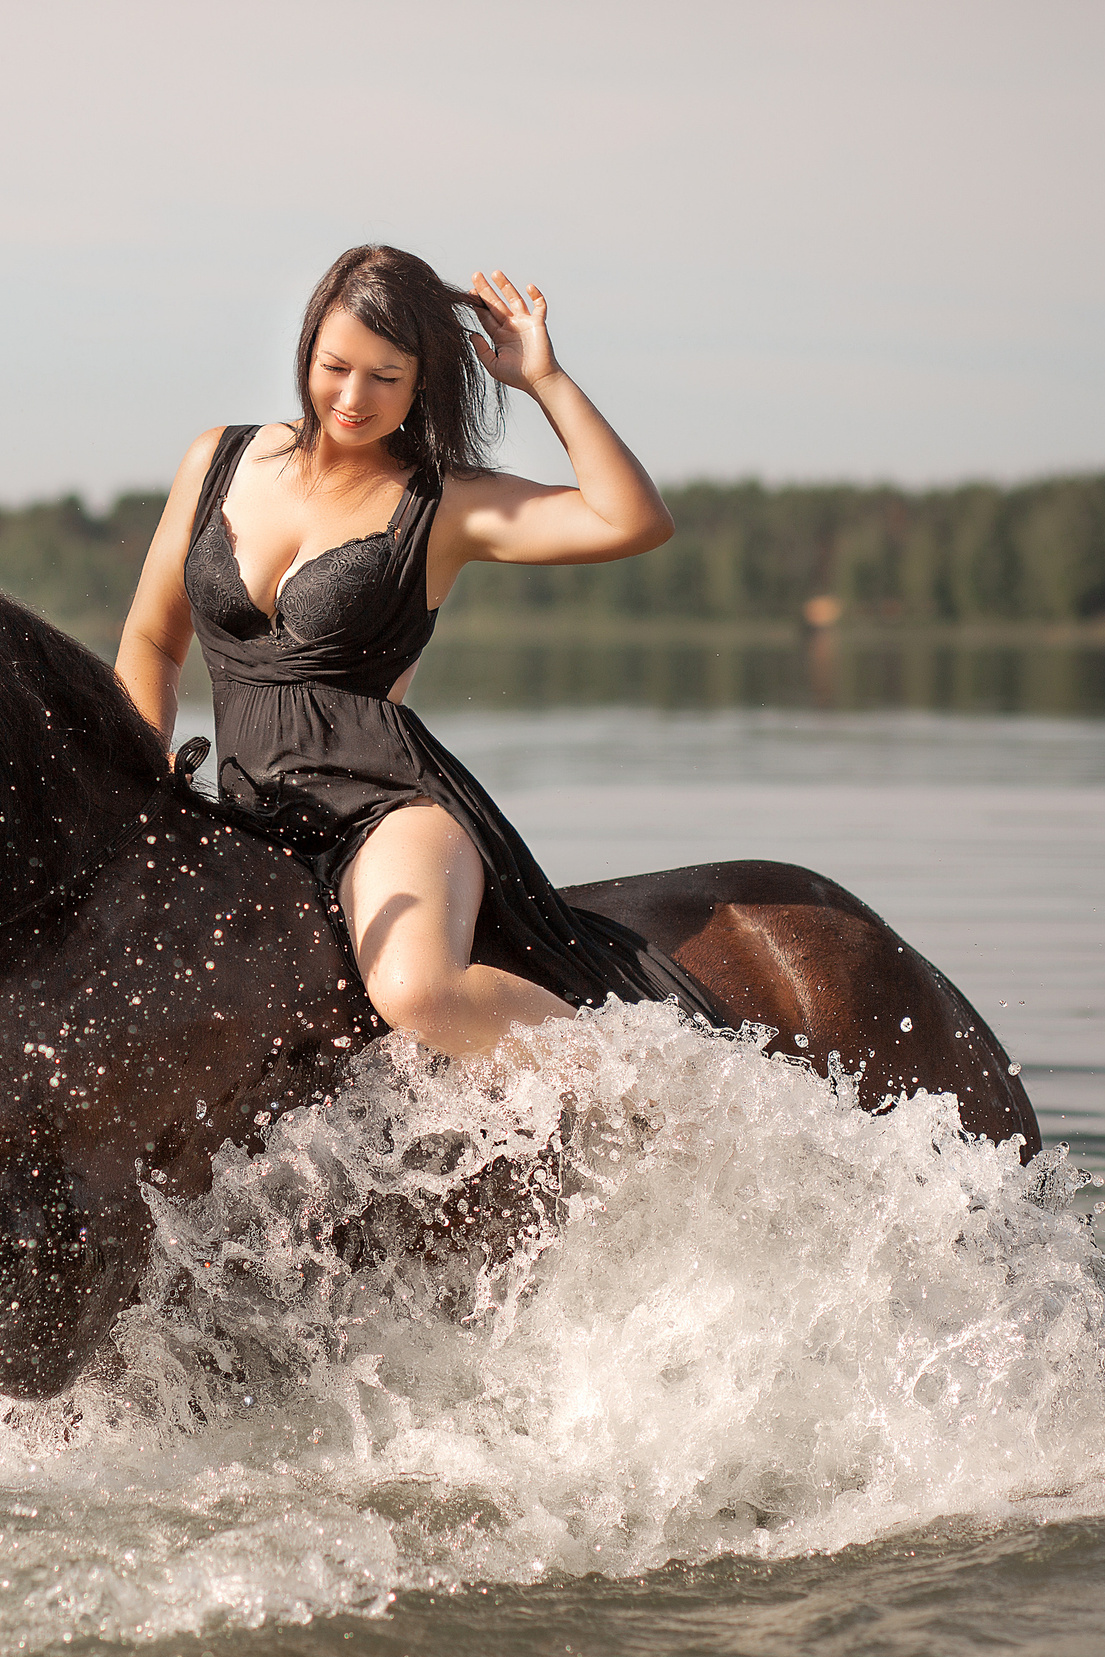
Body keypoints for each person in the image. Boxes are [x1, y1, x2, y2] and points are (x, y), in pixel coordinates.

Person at [115, 244, 724, 1064]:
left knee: (416, 990)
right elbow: (154, 641)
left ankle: (655, 1093)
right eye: (335, 366)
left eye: (385, 377)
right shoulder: (219, 459)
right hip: (249, 806)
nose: (352, 397)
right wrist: (136, 780)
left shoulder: (445, 504)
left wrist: (545, 380)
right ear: (306, 353)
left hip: (387, 808)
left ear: (424, 381)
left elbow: (632, 520)